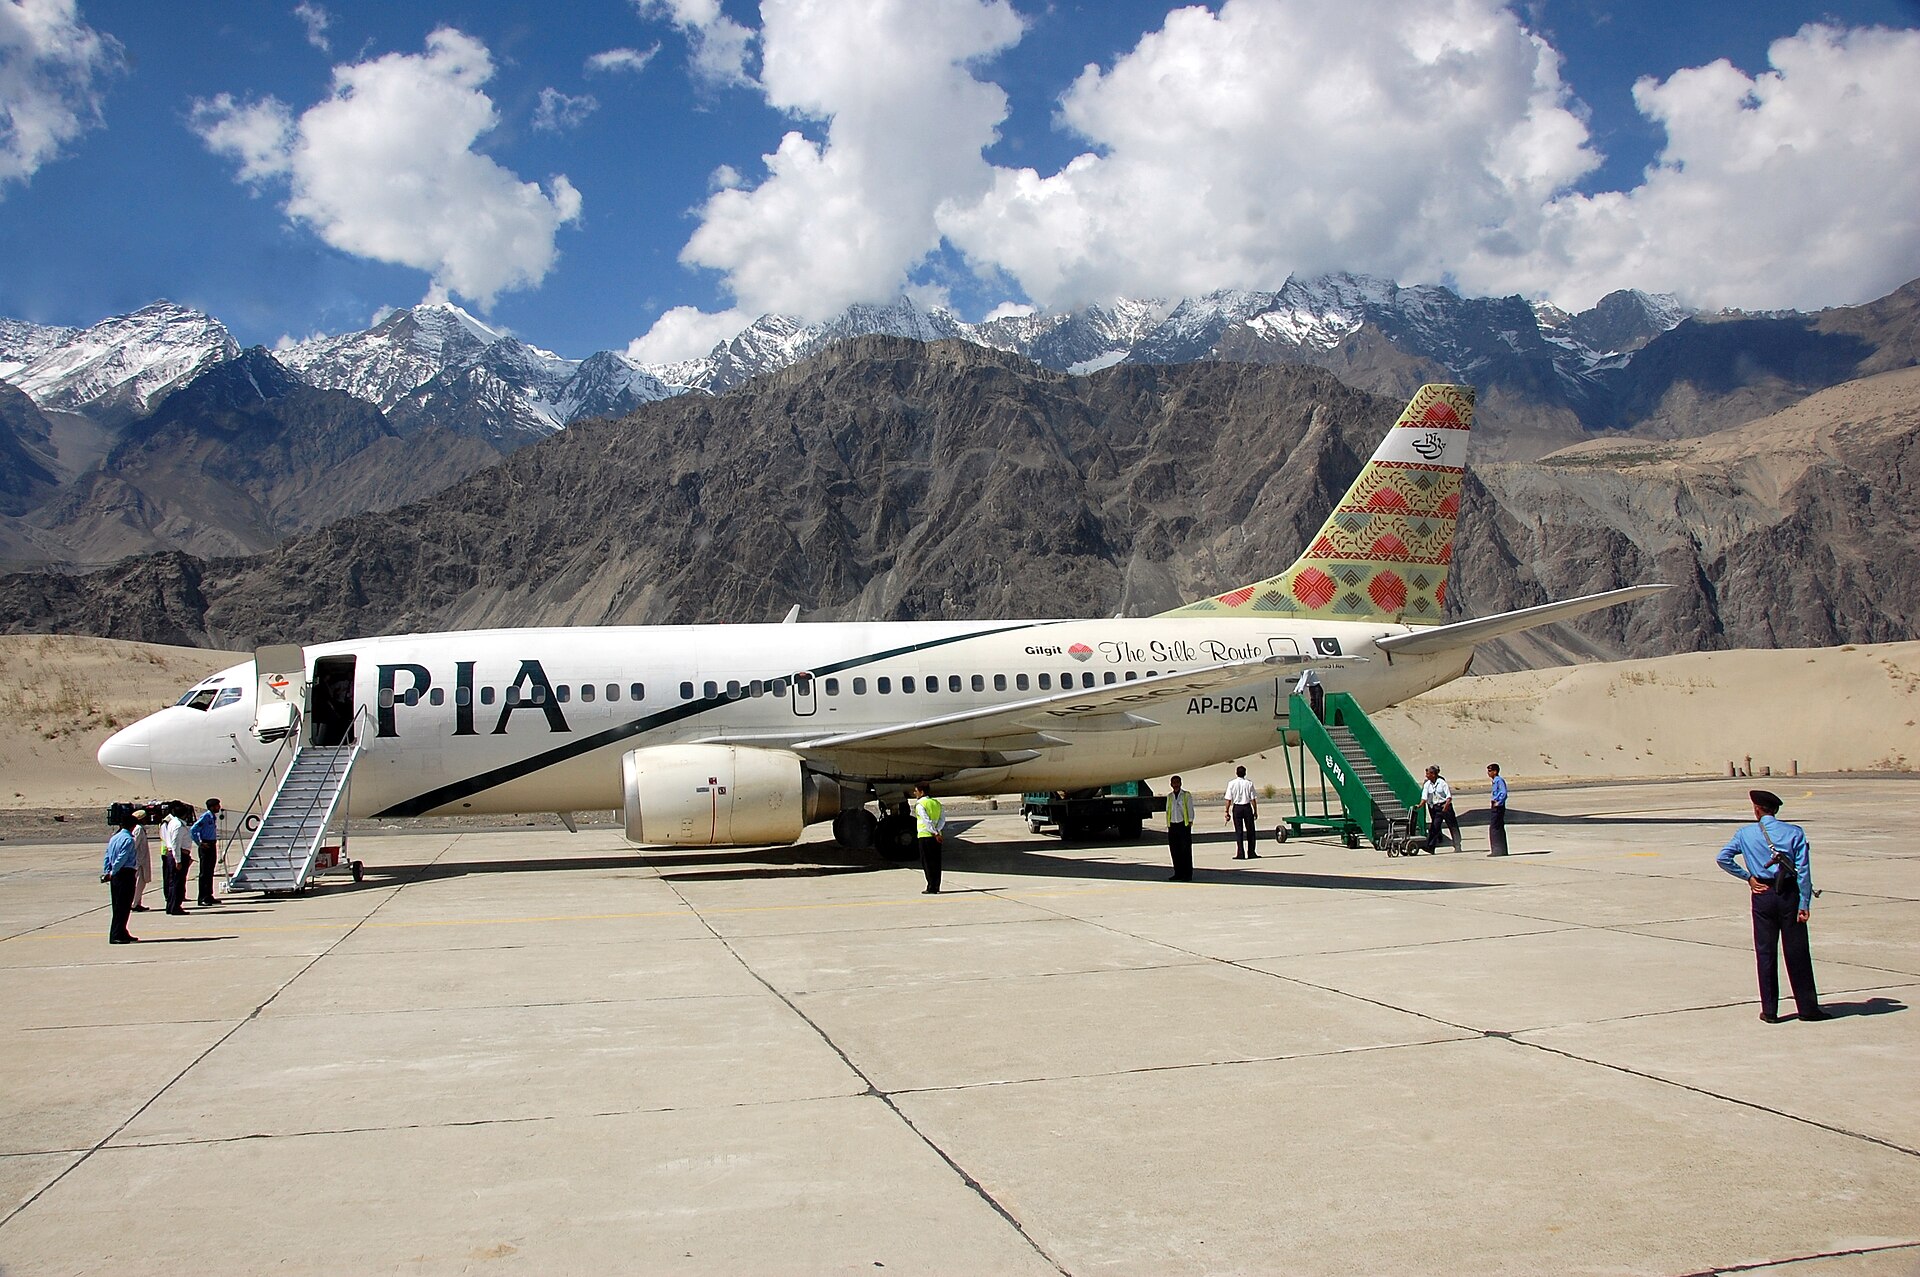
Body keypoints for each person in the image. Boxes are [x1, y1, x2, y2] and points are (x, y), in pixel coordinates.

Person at [1717, 789, 1828, 1023]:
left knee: (1766, 952)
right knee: (1797, 952)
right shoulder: (1795, 833)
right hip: (1789, 894)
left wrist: (1748, 877)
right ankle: (1807, 1009)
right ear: (1775, 810)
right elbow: (1803, 872)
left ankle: (1770, 1011)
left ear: (1757, 809)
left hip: (1763, 895)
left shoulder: (1745, 833)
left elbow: (1723, 858)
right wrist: (1804, 902)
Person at [102, 810, 139, 944]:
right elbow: (121, 858)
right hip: (124, 874)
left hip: (116, 874)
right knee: (123, 906)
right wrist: (113, 871)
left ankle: (122, 931)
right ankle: (116, 934)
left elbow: (107, 855)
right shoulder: (128, 840)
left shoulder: (114, 838)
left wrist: (107, 871)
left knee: (118, 905)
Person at [910, 784, 945, 894]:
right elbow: (942, 819)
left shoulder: (920, 805)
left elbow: (926, 820)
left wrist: (934, 832)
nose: (914, 793)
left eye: (916, 791)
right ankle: (936, 886)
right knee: (936, 862)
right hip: (936, 837)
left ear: (922, 792)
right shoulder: (937, 803)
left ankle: (931, 886)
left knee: (927, 862)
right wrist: (937, 832)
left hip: (925, 836)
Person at [160, 801, 193, 915]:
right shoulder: (178, 825)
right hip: (178, 855)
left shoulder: (174, 822)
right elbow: (175, 843)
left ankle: (171, 906)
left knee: (174, 882)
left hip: (177, 854)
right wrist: (178, 860)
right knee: (177, 882)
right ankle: (175, 906)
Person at [1418, 766, 1457, 854]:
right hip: (1437, 808)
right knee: (1434, 827)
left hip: (1446, 807)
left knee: (1452, 826)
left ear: (1433, 774)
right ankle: (1431, 847)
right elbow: (1424, 797)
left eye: (1428, 774)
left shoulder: (1442, 783)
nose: (1426, 775)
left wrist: (1446, 806)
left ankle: (1457, 844)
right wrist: (1420, 805)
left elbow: (1449, 797)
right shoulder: (1427, 784)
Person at [1164, 775, 1195, 881]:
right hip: (1173, 826)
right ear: (1171, 784)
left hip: (1183, 825)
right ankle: (1178, 873)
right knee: (1175, 851)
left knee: (1185, 851)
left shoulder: (1186, 795)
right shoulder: (1170, 796)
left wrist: (1190, 821)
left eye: (1177, 782)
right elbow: (1168, 810)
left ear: (1180, 783)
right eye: (1174, 783)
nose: (1175, 784)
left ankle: (1187, 874)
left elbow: (1190, 808)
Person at [1225, 765, 1259, 859]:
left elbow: (1228, 799)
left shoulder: (1231, 783)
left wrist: (1226, 811)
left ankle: (1240, 853)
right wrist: (1255, 811)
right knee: (1250, 831)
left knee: (1239, 831)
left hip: (1237, 808)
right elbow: (1253, 799)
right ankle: (1251, 852)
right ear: (1245, 773)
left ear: (1236, 773)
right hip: (1247, 807)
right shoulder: (1249, 783)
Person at [193, 798, 223, 907]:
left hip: (212, 844)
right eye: (217, 806)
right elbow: (194, 829)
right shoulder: (205, 817)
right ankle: (202, 897)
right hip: (206, 845)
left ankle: (209, 895)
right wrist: (199, 843)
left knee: (210, 871)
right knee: (204, 872)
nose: (219, 807)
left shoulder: (212, 817)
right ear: (212, 807)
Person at [130, 807, 153, 912]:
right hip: (139, 861)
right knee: (138, 883)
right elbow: (134, 845)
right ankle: (134, 904)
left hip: (141, 860)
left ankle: (137, 902)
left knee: (141, 883)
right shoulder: (138, 829)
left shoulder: (141, 828)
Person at [1486, 763, 1509, 857]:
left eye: (1490, 771)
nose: (1488, 773)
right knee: (1498, 827)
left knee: (1494, 828)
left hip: (1498, 806)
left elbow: (1504, 793)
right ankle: (1502, 850)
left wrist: (1498, 802)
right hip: (1496, 805)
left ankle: (1497, 850)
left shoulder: (1499, 780)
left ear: (1495, 771)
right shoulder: (1495, 781)